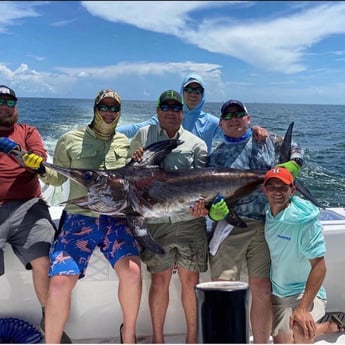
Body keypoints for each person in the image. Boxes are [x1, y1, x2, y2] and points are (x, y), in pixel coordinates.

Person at [190, 99, 304, 343]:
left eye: (238, 114)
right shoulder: (216, 157)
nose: (233, 119)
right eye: (228, 116)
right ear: (221, 124)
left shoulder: (265, 140)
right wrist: (212, 212)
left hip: (264, 226)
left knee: (262, 289)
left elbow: (295, 148)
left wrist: (294, 164)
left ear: (248, 119)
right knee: (222, 286)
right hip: (230, 227)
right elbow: (208, 201)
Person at [39, 89, 142, 343]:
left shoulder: (126, 144)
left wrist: (138, 162)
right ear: (95, 108)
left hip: (116, 219)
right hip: (79, 218)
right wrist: (40, 168)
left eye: (114, 108)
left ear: (119, 112)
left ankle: (128, 335)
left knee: (132, 273)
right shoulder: (68, 139)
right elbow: (56, 178)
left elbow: (132, 182)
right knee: (60, 282)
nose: (109, 113)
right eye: (104, 107)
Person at [130, 89, 208, 344]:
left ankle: (192, 339)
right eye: (166, 107)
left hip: (189, 222)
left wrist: (205, 208)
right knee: (160, 279)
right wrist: (135, 159)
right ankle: (158, 339)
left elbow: (203, 188)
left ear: (183, 113)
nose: (171, 112)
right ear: (158, 111)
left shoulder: (197, 144)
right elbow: (129, 175)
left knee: (190, 281)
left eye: (176, 108)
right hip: (155, 222)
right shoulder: (143, 136)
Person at [0, 85, 71, 343]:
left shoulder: (28, 131)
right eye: (0, 101)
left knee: (46, 261)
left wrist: (21, 155)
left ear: (16, 106)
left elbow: (39, 162)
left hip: (28, 206)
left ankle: (49, 319)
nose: (5, 106)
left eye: (9, 101)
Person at [262, 166, 344, 343]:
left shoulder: (304, 222)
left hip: (302, 294)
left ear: (293, 190)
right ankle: (325, 327)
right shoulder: (267, 214)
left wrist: (303, 308)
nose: (277, 192)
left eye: (283, 187)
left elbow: (320, 266)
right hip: (278, 295)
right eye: (272, 187)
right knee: (284, 342)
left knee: (300, 331)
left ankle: (317, 322)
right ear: (264, 190)